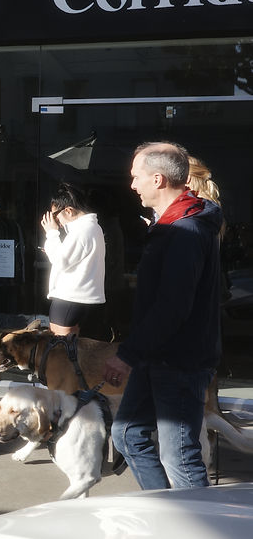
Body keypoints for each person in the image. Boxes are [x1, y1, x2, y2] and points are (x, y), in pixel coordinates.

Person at [104, 142, 222, 490]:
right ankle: (164, 513)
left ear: (157, 179)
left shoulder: (186, 230)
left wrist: (127, 355)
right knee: (126, 435)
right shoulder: (173, 224)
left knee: (180, 457)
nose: (132, 185)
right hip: (156, 357)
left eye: (136, 177)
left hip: (179, 362)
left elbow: (173, 306)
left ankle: (198, 525)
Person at [39, 182, 107, 340]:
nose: (57, 222)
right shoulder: (92, 228)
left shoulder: (82, 230)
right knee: (83, 356)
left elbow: (61, 261)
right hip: (86, 299)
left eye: (56, 216)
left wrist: (52, 234)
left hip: (71, 298)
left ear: (68, 210)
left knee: (61, 355)